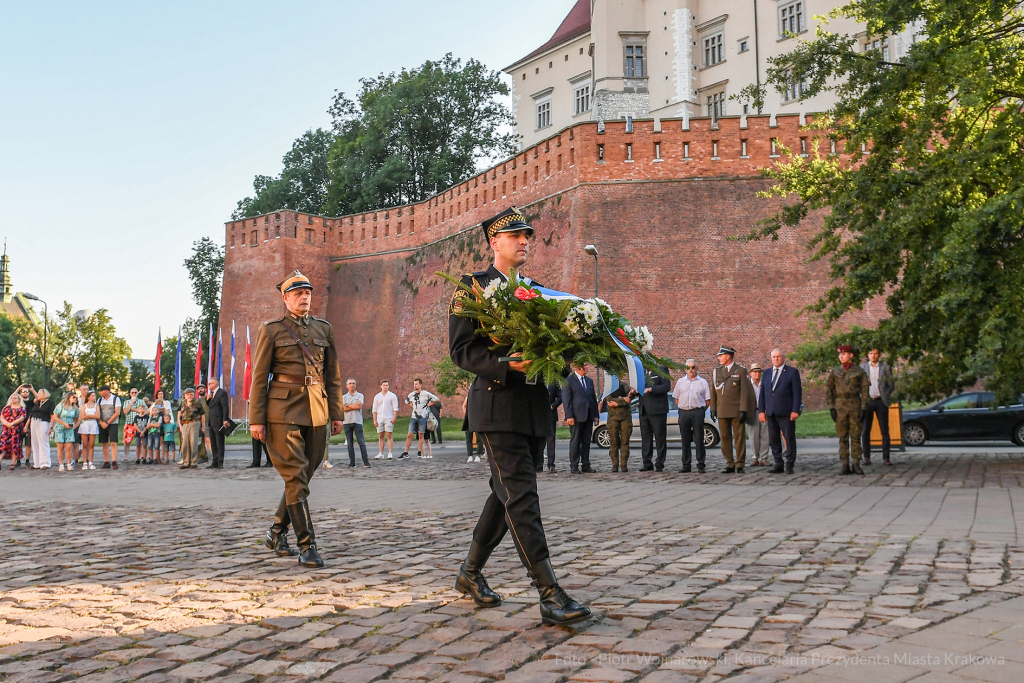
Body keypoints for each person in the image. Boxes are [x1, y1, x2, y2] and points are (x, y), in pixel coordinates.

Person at [449, 206, 591, 626]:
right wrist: (504, 364)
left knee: (506, 494)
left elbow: (554, 346)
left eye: (527, 235)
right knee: (523, 497)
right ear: (495, 242)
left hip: (533, 409)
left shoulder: (537, 290)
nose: (525, 241)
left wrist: (575, 348)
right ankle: (549, 592)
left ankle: (470, 574)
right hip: (495, 407)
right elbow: (461, 349)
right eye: (516, 236)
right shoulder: (472, 286)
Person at [249, 269, 344, 569]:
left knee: (301, 478)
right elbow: (259, 377)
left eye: (308, 293)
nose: (305, 297)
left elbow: (333, 375)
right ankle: (308, 545)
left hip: (317, 410)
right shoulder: (272, 330)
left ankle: (277, 532)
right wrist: (256, 419)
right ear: (285, 298)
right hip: (282, 412)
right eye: (298, 293)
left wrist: (336, 412)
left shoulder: (323, 329)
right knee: (295, 475)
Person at [757, 348, 803, 474]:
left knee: (789, 438)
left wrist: (795, 410)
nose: (776, 359)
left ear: (783, 357)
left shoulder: (791, 372)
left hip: (786, 412)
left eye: (778, 357)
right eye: (774, 357)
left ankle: (789, 464)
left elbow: (797, 393)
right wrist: (761, 411)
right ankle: (778, 463)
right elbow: (762, 394)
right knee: (774, 439)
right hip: (771, 412)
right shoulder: (766, 373)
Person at [827, 345, 870, 475]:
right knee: (842, 437)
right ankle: (845, 464)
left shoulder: (859, 372)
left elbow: (864, 390)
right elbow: (829, 389)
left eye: (844, 354)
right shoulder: (835, 372)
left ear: (851, 355)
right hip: (840, 407)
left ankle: (856, 463)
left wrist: (864, 407)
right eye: (840, 355)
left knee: (856, 436)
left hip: (855, 406)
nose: (841, 356)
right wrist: (831, 407)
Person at [710, 346, 753, 474]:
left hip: (736, 410)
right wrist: (713, 408)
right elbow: (714, 391)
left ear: (728, 356)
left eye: (721, 355)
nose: (719, 358)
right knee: (725, 438)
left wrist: (743, 410)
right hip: (722, 409)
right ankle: (729, 462)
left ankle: (740, 463)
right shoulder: (717, 372)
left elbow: (745, 393)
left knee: (739, 438)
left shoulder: (740, 370)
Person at [673, 360, 712, 473]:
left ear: (697, 368)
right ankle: (686, 465)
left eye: (693, 367)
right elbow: (676, 398)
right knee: (685, 439)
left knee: (699, 438)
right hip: (684, 412)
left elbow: (707, 400)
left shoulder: (702, 382)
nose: (691, 369)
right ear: (685, 369)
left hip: (697, 412)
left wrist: (699, 411)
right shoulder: (680, 382)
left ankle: (701, 464)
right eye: (688, 367)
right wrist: (683, 407)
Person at [562, 363, 599, 474]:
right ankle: (574, 465)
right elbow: (566, 400)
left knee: (586, 441)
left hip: (588, 415)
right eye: (586, 366)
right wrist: (569, 416)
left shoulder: (589, 381)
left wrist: (595, 414)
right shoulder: (569, 380)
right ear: (578, 368)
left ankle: (586, 465)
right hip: (576, 416)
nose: (588, 367)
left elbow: (593, 399)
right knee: (576, 441)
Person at [861, 348, 895, 466]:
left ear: (879, 355)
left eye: (875, 353)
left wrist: (885, 394)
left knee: (884, 430)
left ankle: (886, 457)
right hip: (867, 401)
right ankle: (866, 457)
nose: (873, 355)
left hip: (881, 401)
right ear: (867, 355)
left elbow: (891, 384)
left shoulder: (885, 367)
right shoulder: (863, 368)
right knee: (866, 430)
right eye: (870, 353)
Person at [638, 365, 671, 472]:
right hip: (644, 410)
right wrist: (634, 391)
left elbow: (666, 386)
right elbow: (640, 388)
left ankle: (659, 463)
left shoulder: (661, 369)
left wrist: (652, 389)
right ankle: (647, 463)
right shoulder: (641, 372)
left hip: (657, 410)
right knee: (646, 439)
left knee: (660, 438)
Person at [602, 382, 637, 472]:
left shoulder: (624, 385)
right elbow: (609, 400)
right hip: (613, 418)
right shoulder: (609, 387)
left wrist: (617, 403)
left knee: (625, 442)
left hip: (625, 417)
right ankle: (615, 465)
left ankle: (624, 464)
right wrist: (622, 401)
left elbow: (629, 399)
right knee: (614, 442)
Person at [401, 379, 439, 460]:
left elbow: (436, 399)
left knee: (421, 435)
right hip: (414, 417)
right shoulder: (411, 394)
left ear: (420, 385)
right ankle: (406, 452)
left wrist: (428, 405)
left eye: (417, 384)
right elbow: (406, 401)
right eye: (414, 384)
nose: (415, 386)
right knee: (409, 434)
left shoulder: (425, 394)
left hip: (422, 417)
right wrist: (413, 406)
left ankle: (420, 452)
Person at [342, 378, 370, 468]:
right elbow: (343, 408)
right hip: (347, 422)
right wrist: (353, 406)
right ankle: (352, 462)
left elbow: (359, 406)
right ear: (347, 386)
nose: (351, 385)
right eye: (350, 383)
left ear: (355, 385)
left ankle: (366, 462)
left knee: (361, 442)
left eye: (353, 383)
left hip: (357, 421)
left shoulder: (360, 395)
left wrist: (348, 405)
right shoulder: (344, 397)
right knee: (350, 444)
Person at [746, 363, 770, 466]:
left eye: (758, 372)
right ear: (750, 373)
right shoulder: (747, 385)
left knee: (765, 435)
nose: (757, 374)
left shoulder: (764, 383)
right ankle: (755, 457)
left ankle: (763, 458)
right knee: (753, 435)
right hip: (752, 412)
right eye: (754, 372)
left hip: (763, 411)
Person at [25, 387, 54, 469]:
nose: (38, 395)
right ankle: (37, 463)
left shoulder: (50, 403)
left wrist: (51, 427)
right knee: (34, 443)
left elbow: (52, 416)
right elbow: (31, 414)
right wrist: (26, 425)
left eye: (39, 393)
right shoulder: (37, 403)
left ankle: (45, 463)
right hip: (34, 422)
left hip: (43, 422)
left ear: (44, 394)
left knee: (43, 442)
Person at [205, 378, 231, 469]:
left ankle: (220, 462)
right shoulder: (212, 394)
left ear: (215, 384)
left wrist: (225, 419)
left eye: (210, 383)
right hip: (212, 422)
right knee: (213, 443)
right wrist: (208, 400)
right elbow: (213, 406)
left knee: (219, 442)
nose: (209, 385)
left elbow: (225, 407)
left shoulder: (221, 393)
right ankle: (214, 461)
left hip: (219, 421)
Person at [52, 392, 81, 471]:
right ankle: (61, 464)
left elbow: (76, 418)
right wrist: (64, 423)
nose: (75, 399)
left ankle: (68, 463)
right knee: (60, 447)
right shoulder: (61, 406)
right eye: (73, 397)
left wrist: (75, 426)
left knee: (69, 447)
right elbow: (55, 417)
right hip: (60, 428)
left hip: (69, 428)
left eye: (76, 397)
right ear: (69, 397)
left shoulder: (74, 408)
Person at [177, 387, 204, 469]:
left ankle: (193, 461)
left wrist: (203, 426)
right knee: (185, 443)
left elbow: (202, 414)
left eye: (191, 394)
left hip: (194, 423)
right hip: (185, 424)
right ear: (185, 395)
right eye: (187, 394)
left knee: (193, 442)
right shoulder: (182, 403)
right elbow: (179, 416)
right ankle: (186, 462)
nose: (189, 396)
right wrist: (180, 426)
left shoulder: (197, 403)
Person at [372, 380, 399, 459]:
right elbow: (374, 409)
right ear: (381, 386)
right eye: (384, 385)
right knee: (381, 435)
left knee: (389, 435)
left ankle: (390, 452)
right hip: (380, 417)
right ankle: (381, 452)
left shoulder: (392, 396)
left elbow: (395, 408)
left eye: (387, 385)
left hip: (389, 417)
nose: (385, 387)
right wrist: (375, 420)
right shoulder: (377, 396)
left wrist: (394, 417)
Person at [96, 385, 121, 469]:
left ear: (106, 391)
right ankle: (107, 461)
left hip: (113, 423)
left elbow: (117, 412)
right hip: (102, 423)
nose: (99, 393)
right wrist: (101, 422)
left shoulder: (115, 399)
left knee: (113, 442)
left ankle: (114, 461)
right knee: (104, 442)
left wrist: (108, 422)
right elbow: (97, 412)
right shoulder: (99, 400)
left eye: (101, 391)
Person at [0, 391, 27, 469]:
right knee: (3, 446)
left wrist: (12, 424)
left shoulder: (22, 408)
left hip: (16, 430)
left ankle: (12, 464)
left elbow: (22, 418)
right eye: (12, 398)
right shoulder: (6, 408)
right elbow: (1, 417)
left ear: (19, 399)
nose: (13, 399)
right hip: (6, 430)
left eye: (15, 398)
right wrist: (7, 424)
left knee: (14, 446)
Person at [123, 388, 147, 464]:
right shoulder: (127, 402)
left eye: (135, 392)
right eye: (132, 392)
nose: (134, 394)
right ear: (130, 394)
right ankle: (126, 457)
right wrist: (131, 403)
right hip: (129, 423)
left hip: (140, 424)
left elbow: (147, 411)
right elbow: (125, 411)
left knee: (141, 442)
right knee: (127, 441)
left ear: (137, 393)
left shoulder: (141, 401)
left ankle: (140, 457)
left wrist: (133, 409)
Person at [78, 391, 100, 469]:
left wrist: (89, 415)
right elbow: (83, 417)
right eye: (92, 396)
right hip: (85, 424)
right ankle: (84, 462)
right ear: (88, 397)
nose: (94, 397)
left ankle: (90, 462)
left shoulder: (96, 405)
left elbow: (98, 416)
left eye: (94, 396)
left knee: (91, 444)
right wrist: (91, 416)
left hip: (93, 424)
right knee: (85, 444)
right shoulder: (84, 406)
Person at [544, 381, 561, 473]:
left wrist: (553, 406)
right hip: (538, 414)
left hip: (551, 414)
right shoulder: (536, 380)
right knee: (538, 440)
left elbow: (560, 397)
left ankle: (551, 464)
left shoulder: (554, 382)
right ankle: (538, 464)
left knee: (551, 440)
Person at [462, 395, 485, 463]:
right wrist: (467, 414)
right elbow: (464, 406)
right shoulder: (468, 397)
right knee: (469, 438)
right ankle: (470, 455)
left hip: (478, 420)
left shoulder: (480, 398)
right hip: (469, 420)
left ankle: (478, 455)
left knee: (479, 438)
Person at [195, 384, 210, 463]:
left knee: (208, 439)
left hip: (209, 421)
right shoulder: (198, 401)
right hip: (200, 422)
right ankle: (203, 456)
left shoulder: (210, 398)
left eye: (201, 388)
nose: (200, 390)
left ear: (205, 389)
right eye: (199, 389)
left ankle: (214, 456)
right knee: (202, 440)